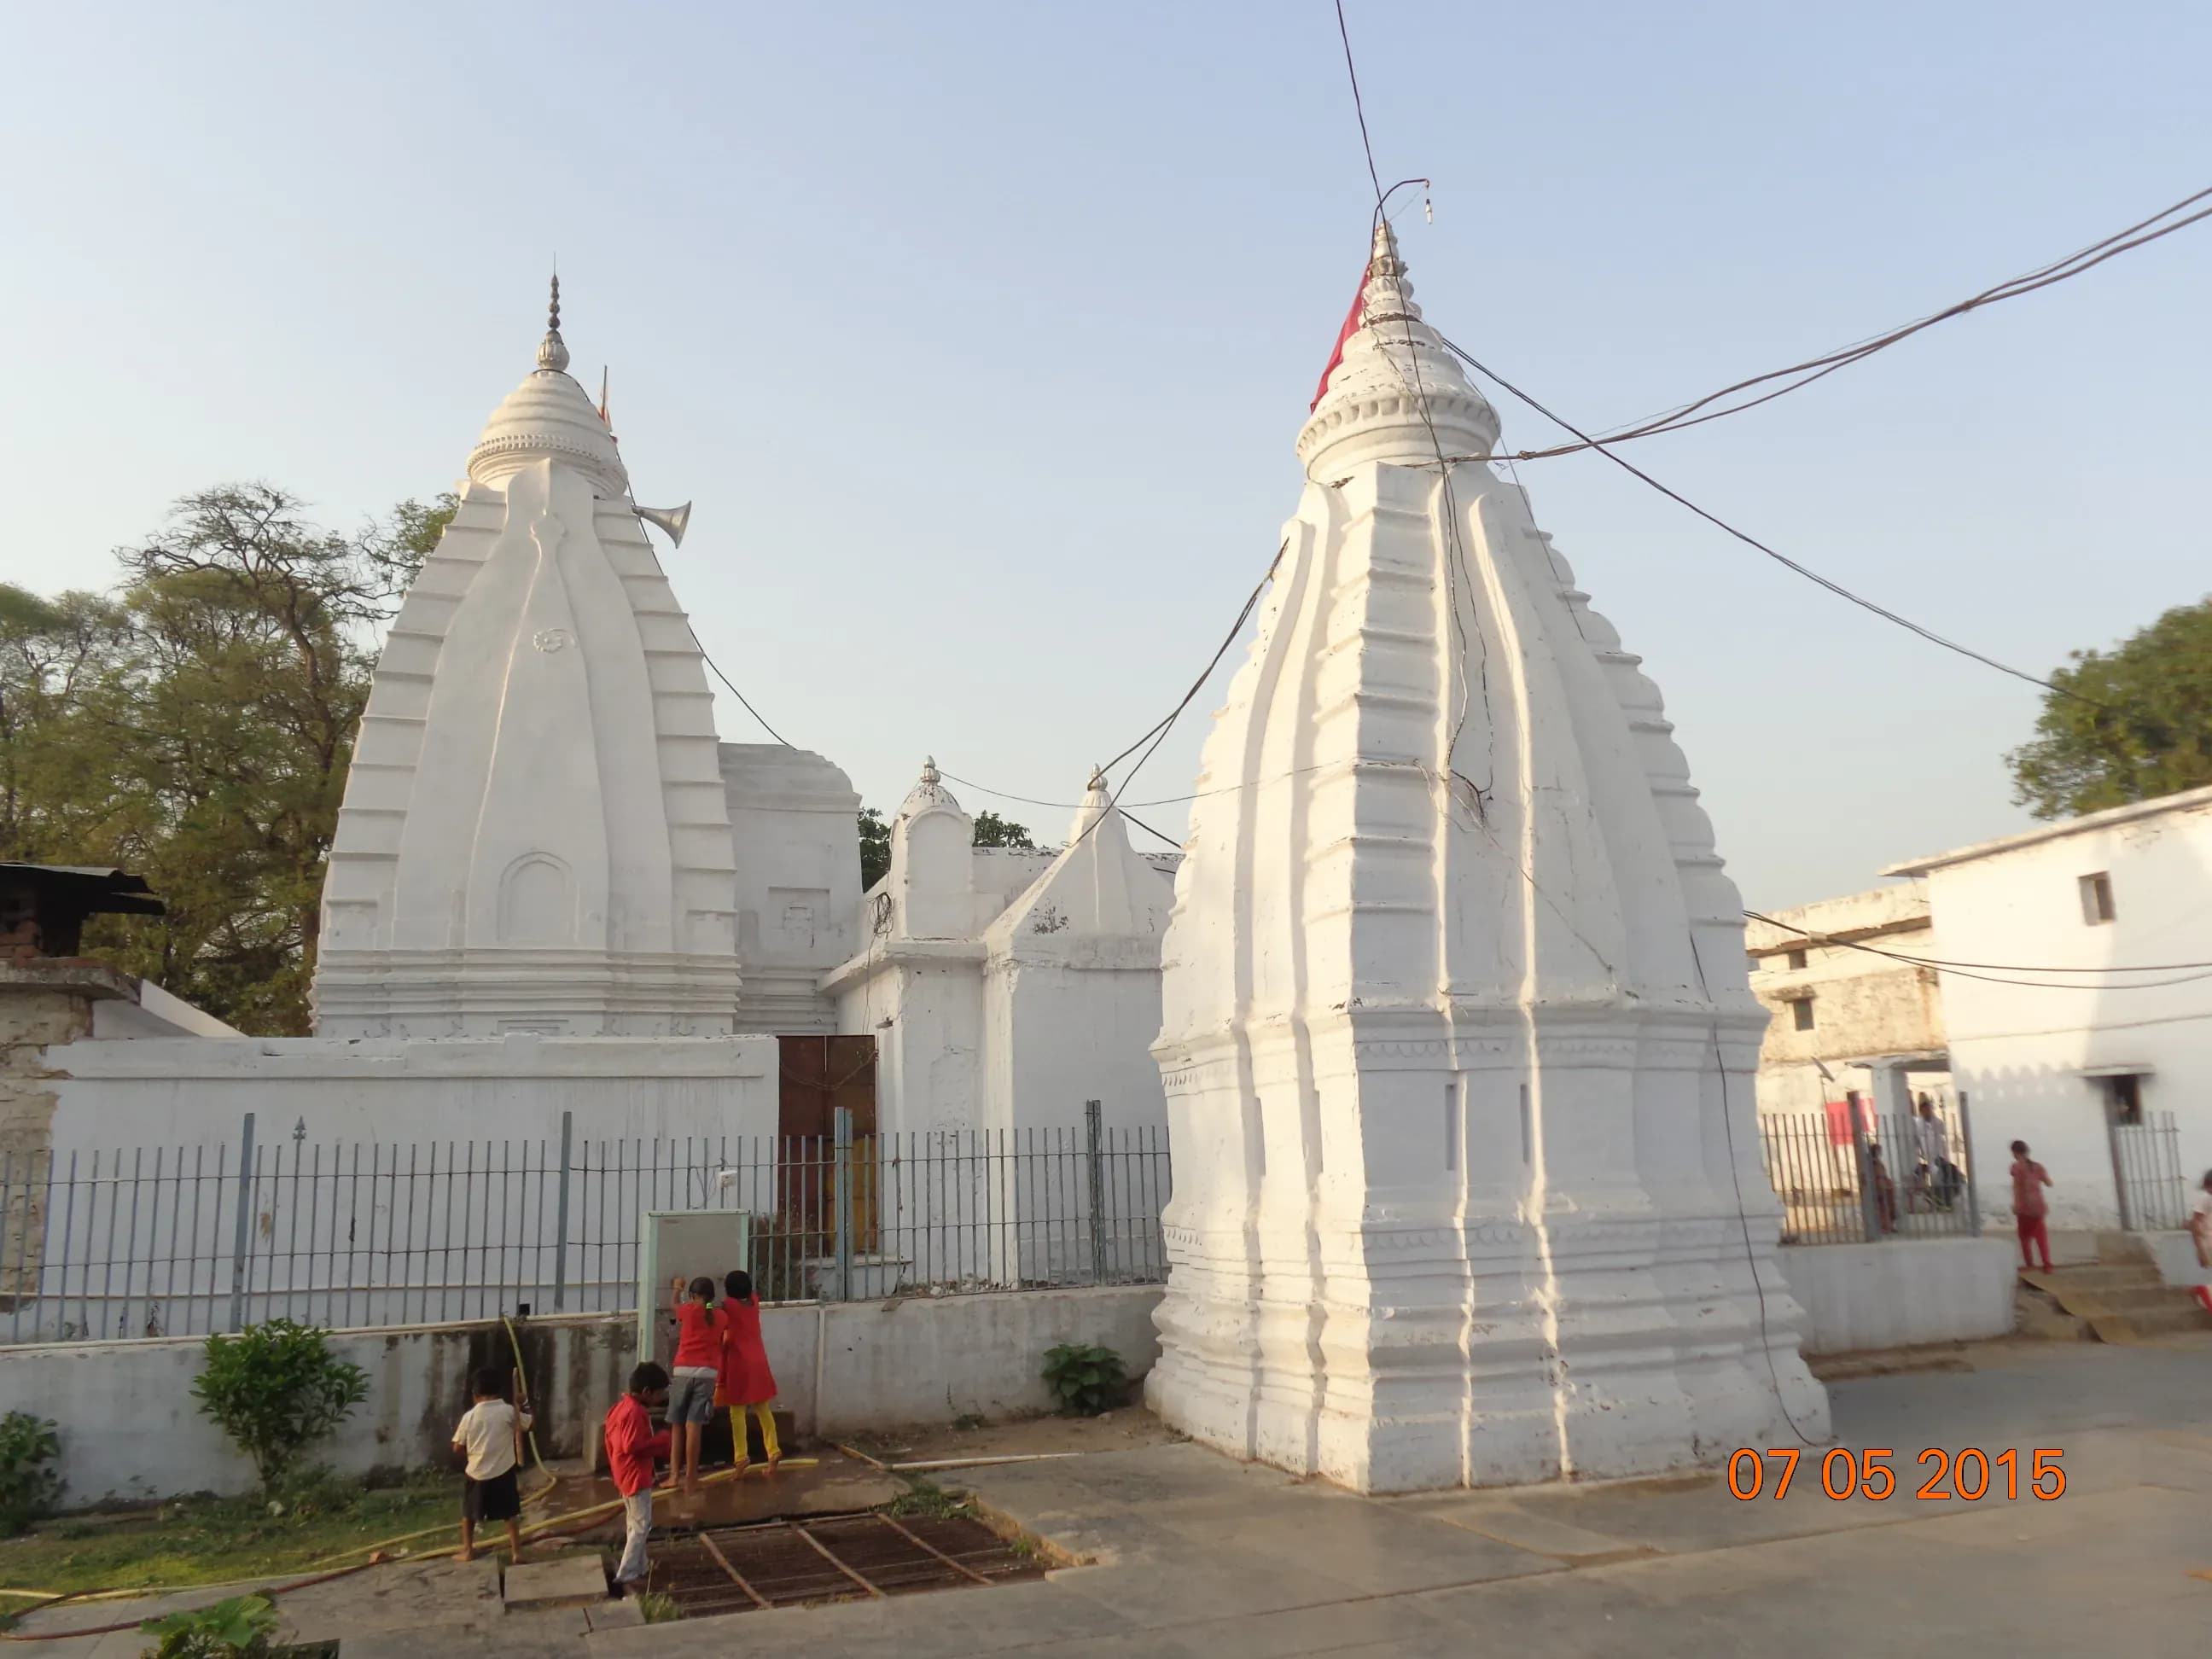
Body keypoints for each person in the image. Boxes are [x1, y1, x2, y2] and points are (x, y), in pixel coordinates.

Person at [451, 1366, 533, 1564]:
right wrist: (525, 1404)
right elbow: (529, 1424)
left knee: (468, 1514)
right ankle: (517, 1553)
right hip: (503, 1473)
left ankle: (468, 1550)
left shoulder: (469, 1417)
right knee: (511, 1514)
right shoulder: (507, 1411)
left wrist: (471, 1457)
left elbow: (456, 1447)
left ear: (474, 1394)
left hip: (476, 1473)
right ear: (498, 1391)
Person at [605, 1361, 671, 1597]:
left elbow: (613, 1444)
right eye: (659, 1393)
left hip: (624, 1474)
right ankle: (627, 1573)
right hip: (636, 1477)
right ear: (646, 1392)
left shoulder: (619, 1408)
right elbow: (631, 1446)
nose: (660, 1398)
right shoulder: (636, 1412)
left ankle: (640, 1565)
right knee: (642, 1525)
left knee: (635, 1523)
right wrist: (661, 1441)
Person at [716, 1269, 781, 1478]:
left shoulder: (729, 1306)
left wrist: (706, 1302)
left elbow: (711, 1308)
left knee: (737, 1413)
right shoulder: (754, 1302)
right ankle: (773, 1451)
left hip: (739, 1363)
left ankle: (741, 1458)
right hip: (759, 1361)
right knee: (763, 1409)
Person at [666, 1274, 722, 1494]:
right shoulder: (720, 1316)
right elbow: (709, 1310)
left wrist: (676, 1287)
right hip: (707, 1375)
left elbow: (674, 1305)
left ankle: (673, 1476)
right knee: (694, 1426)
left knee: (677, 1425)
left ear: (692, 1296)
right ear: (711, 1297)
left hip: (683, 1372)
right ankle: (691, 1479)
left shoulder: (688, 1311)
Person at [2009, 1139, 2054, 1272]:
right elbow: (2049, 1183)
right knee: (2041, 1237)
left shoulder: (2016, 1167)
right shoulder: (2038, 1167)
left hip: (2024, 1207)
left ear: (2015, 1153)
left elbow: (2017, 1187)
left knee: (2024, 1238)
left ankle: (2030, 1265)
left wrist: (2016, 1205)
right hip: (2039, 1206)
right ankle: (2047, 1265)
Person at [2190, 1171, 2212, 1314]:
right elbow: (2196, 1222)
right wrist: (2200, 1248)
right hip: (2208, 1242)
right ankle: (2199, 1289)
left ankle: (2197, 1289)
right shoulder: (2204, 1200)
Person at [1867, 1142, 1897, 1233]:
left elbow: (1883, 1175)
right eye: (1879, 1151)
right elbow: (1877, 1176)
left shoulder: (1878, 1163)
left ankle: (1888, 1226)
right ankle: (1884, 1227)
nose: (1880, 1153)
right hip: (1879, 1188)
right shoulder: (1872, 1163)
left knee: (1889, 1207)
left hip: (1885, 1187)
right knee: (1882, 1208)